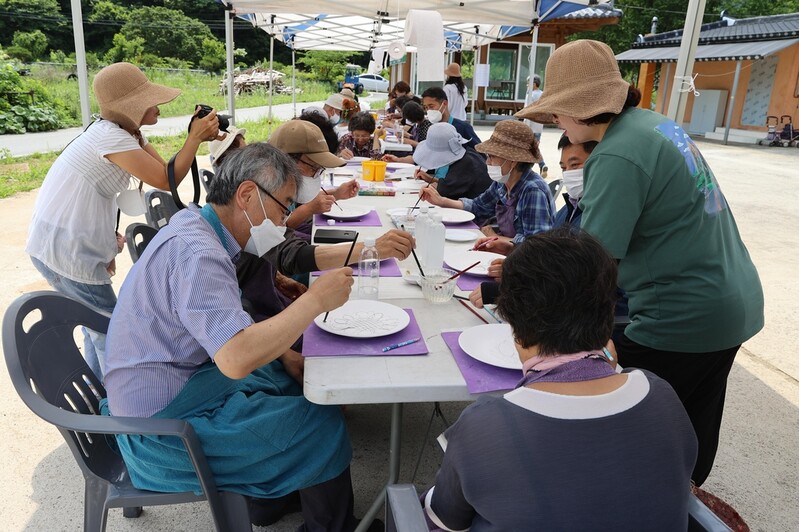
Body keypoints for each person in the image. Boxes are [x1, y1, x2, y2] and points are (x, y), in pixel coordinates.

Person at [517, 39, 764, 486]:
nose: (555, 121)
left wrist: (515, 296)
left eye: (557, 111)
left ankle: (642, 503)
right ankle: (683, 498)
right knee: (691, 424)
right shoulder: (655, 124)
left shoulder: (614, 155)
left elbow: (590, 268)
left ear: (581, 106)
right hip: (731, 300)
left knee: (630, 428)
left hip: (680, 313)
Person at [102, 143, 365, 531]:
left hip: (174, 385)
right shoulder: (199, 252)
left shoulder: (199, 228)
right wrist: (314, 301)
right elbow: (235, 358)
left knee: (287, 378)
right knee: (318, 422)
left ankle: (268, 499)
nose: (286, 218)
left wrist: (286, 356)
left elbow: (224, 323)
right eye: (285, 205)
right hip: (159, 433)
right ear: (247, 195)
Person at [424, 228, 697, 531]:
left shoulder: (485, 425)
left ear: (513, 323)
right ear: (609, 312)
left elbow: (445, 519)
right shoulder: (663, 396)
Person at [25, 62, 221, 380]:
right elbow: (165, 178)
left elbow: (165, 173)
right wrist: (195, 139)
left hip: (66, 242)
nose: (158, 105)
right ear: (132, 107)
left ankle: (103, 406)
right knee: (111, 335)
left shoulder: (124, 133)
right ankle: (116, 412)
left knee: (97, 329)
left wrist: (191, 137)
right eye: (150, 100)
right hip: (66, 249)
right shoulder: (111, 138)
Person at [419, 120, 554, 245]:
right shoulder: (502, 183)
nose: (487, 162)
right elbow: (478, 207)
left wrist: (495, 237)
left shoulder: (532, 190)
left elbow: (536, 244)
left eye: (492, 157)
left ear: (513, 161)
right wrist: (441, 201)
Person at [411, 122, 491, 201]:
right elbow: (450, 184)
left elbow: (444, 191)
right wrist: (429, 178)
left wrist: (429, 187)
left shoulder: (465, 164)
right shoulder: (467, 155)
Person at [420, 87, 480, 151]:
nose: (428, 110)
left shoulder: (463, 128)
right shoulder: (430, 128)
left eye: (431, 106)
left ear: (444, 104)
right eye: (426, 107)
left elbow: (480, 152)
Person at [523, 75, 548, 177]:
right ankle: (541, 165)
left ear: (534, 84)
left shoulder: (530, 95)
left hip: (529, 125)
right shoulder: (543, 94)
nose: (527, 85)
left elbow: (526, 109)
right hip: (539, 126)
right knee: (534, 147)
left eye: (528, 83)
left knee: (528, 148)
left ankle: (530, 168)